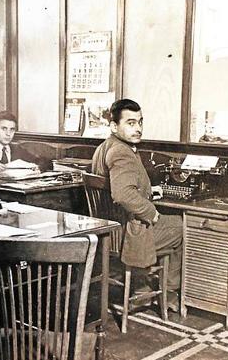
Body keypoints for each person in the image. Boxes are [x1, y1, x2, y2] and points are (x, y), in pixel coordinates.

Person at [92, 99, 183, 309]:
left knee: (169, 224)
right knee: (180, 226)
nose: (138, 129)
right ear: (114, 126)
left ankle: (141, 284)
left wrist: (148, 192)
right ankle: (166, 295)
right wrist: (152, 213)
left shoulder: (104, 147)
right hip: (127, 235)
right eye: (131, 123)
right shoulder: (122, 152)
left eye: (140, 122)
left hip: (110, 233)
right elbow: (123, 194)